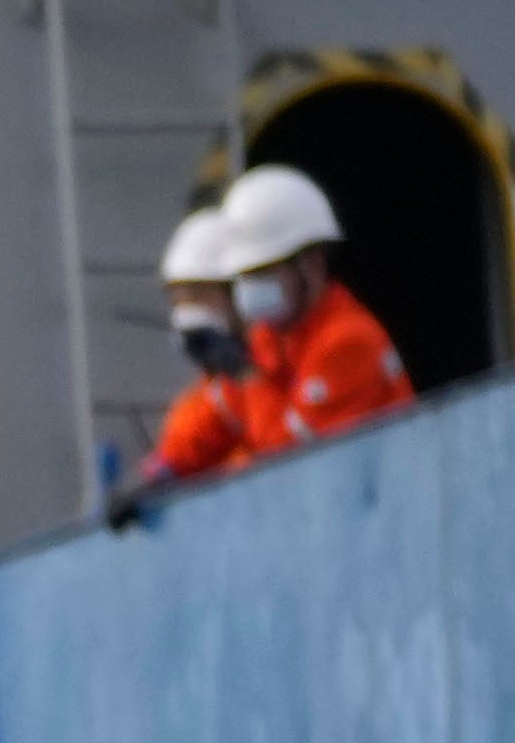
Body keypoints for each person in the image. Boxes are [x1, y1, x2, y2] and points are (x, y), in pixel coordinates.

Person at [126, 165, 408, 507]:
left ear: (312, 265)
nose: (251, 289)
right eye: (244, 275)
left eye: (263, 272)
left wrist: (247, 376)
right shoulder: (271, 338)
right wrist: (161, 472)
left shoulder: (348, 343)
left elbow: (288, 461)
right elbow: (218, 414)